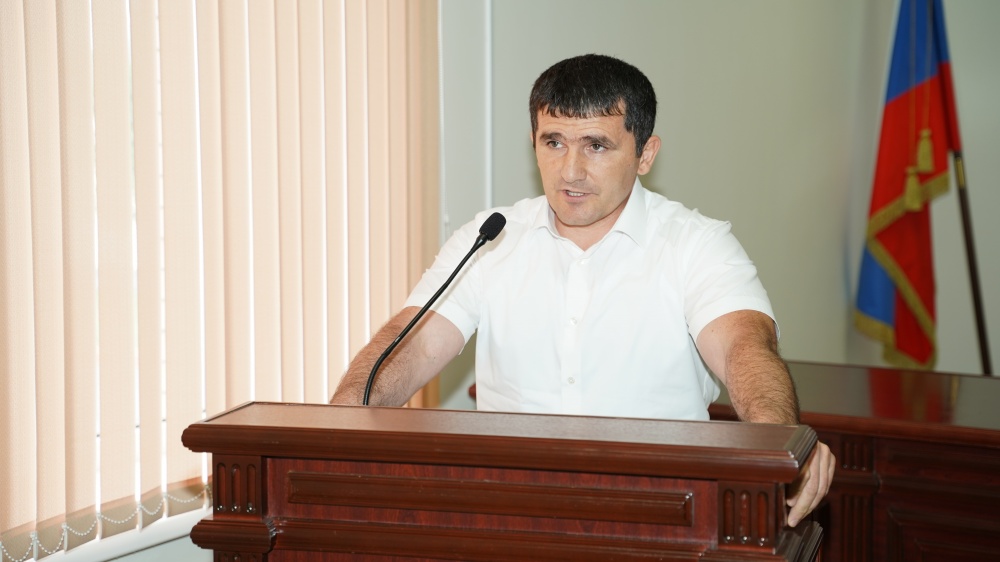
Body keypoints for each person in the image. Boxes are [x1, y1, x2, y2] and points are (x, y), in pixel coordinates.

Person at [331, 54, 834, 527]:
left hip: (660, 508)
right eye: (554, 143)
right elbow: (412, 343)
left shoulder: (696, 244)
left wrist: (782, 444)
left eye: (596, 145)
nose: (570, 171)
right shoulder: (490, 238)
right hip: (505, 510)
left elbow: (745, 348)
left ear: (645, 154)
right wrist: (333, 432)